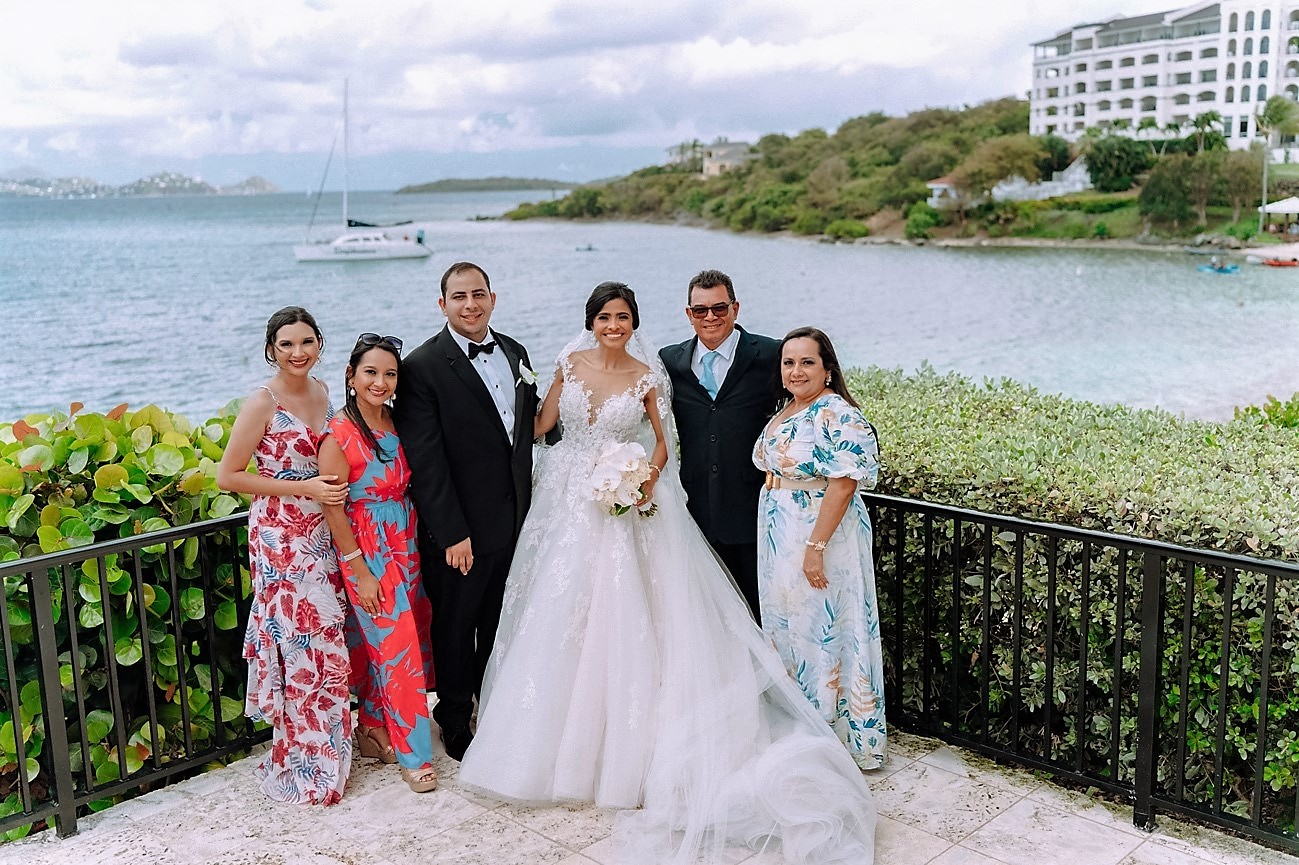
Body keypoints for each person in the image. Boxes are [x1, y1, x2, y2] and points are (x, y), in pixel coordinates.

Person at [459, 284, 875, 865]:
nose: (614, 325)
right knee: (558, 615)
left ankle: (630, 752)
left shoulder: (650, 375)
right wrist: (528, 400)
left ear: (634, 323)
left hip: (625, 507)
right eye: (604, 317)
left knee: (627, 613)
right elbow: (542, 427)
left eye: (623, 317)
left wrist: (642, 477)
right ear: (590, 322)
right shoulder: (567, 364)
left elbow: (662, 443)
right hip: (569, 504)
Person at [393, 261, 540, 761]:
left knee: (501, 620)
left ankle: (490, 702)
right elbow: (426, 462)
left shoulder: (516, 351)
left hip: (515, 521)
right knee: (456, 627)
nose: (471, 304)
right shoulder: (421, 367)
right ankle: (453, 717)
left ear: (493, 298)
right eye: (459, 297)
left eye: (478, 294)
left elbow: (525, 436)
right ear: (443, 305)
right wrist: (452, 532)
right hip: (460, 534)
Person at [216, 306, 352, 805]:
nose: (298, 353)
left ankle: (330, 744)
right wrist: (300, 487)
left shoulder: (321, 391)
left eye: (307, 342)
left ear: (319, 345)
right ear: (271, 348)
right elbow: (229, 476)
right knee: (296, 642)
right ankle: (302, 754)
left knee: (327, 637)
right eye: (287, 344)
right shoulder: (262, 401)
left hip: (322, 531)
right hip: (280, 536)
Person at [753, 326, 886, 771]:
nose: (796, 370)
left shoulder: (835, 412)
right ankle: (801, 726)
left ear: (827, 368)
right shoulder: (788, 408)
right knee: (790, 626)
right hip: (781, 533)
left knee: (824, 629)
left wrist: (815, 547)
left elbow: (844, 483)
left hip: (819, 535)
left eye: (807, 362)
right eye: (788, 362)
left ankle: (831, 734)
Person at [319, 333, 438, 793]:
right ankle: (416, 755)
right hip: (365, 548)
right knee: (398, 647)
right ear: (351, 376)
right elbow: (333, 507)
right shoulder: (338, 433)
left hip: (404, 541)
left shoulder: (395, 420)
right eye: (370, 372)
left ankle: (372, 726)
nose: (380, 381)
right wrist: (360, 568)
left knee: (397, 640)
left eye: (389, 373)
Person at [659, 269, 781, 622]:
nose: (710, 317)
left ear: (735, 308)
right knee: (706, 619)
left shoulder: (770, 354)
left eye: (719, 308)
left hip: (753, 510)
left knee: (760, 613)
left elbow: (807, 400)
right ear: (688, 314)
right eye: (700, 310)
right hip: (693, 510)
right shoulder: (669, 361)